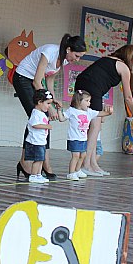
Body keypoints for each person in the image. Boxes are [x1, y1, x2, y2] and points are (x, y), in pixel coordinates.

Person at [13, 34, 86, 180]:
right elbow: (37, 81)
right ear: (69, 49)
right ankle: (27, 162)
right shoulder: (50, 52)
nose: (77, 60)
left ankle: (43, 162)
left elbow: (50, 80)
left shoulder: (64, 60)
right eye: (76, 56)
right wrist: (49, 106)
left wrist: (53, 100)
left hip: (36, 83)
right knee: (38, 118)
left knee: (43, 119)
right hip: (23, 78)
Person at [74, 44, 133, 176]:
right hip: (93, 88)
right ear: (130, 56)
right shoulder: (124, 68)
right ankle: (85, 165)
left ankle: (93, 163)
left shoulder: (108, 59)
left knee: (94, 126)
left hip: (81, 84)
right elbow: (128, 97)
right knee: (95, 126)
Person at [57, 90, 113, 181]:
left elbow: (99, 113)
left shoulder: (89, 112)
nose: (89, 103)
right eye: (87, 101)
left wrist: (108, 112)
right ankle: (71, 173)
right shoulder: (72, 111)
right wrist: (59, 110)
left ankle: (77, 170)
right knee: (75, 155)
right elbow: (62, 118)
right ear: (79, 101)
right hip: (74, 138)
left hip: (83, 139)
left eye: (89, 101)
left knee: (83, 155)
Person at [25, 89, 55, 184]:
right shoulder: (35, 113)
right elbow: (34, 124)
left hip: (41, 141)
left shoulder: (41, 113)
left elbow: (41, 121)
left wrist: (48, 119)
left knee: (41, 159)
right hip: (35, 141)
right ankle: (33, 175)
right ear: (39, 102)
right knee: (37, 160)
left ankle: (38, 174)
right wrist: (47, 126)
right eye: (48, 103)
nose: (49, 106)